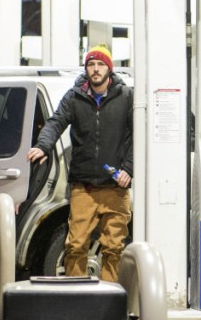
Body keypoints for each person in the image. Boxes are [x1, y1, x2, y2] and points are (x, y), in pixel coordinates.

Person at [27, 44, 133, 281]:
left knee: (114, 249)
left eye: (100, 64)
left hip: (116, 186)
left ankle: (109, 301)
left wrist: (129, 169)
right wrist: (43, 145)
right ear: (86, 69)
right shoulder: (74, 97)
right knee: (75, 246)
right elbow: (55, 122)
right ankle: (76, 299)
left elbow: (137, 136)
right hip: (83, 187)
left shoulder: (126, 97)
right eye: (91, 65)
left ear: (109, 69)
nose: (95, 69)